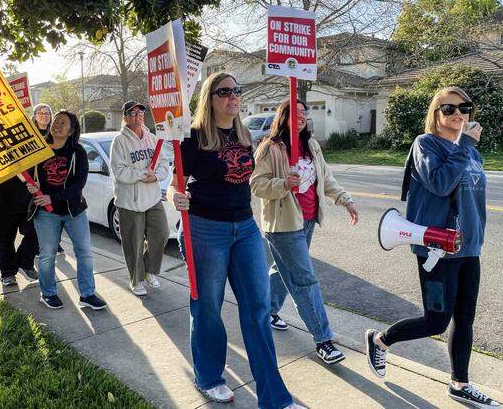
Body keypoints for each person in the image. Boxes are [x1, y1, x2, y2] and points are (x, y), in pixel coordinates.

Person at [168, 72, 301, 409]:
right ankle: (209, 377)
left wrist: (287, 179)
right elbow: (175, 184)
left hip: (245, 228)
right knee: (208, 307)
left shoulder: (244, 135)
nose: (232, 97)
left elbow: (249, 180)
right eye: (224, 91)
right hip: (205, 229)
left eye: (236, 91)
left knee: (257, 309)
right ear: (209, 98)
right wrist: (175, 197)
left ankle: (275, 398)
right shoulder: (192, 138)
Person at [365, 87, 500, 409]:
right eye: (448, 108)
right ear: (435, 114)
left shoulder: (472, 152)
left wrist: (476, 237)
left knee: (465, 318)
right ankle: (380, 340)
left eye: (464, 108)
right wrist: (465, 144)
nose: (458, 114)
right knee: (437, 320)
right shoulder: (425, 144)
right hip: (438, 249)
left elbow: (474, 201)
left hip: (468, 248)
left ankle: (460, 384)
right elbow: (440, 183)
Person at [251, 99, 359, 365]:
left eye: (304, 113)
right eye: (294, 112)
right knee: (305, 280)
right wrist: (283, 184)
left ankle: (268, 312)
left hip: (308, 220)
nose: (300, 116)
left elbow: (327, 178)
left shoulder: (311, 145)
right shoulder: (270, 148)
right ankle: (323, 340)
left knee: (282, 269)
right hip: (283, 224)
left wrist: (345, 200)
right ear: (283, 116)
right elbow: (256, 185)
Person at [27, 110, 107, 311]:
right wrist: (30, 187)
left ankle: (87, 294)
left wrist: (52, 197)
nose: (57, 125)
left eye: (63, 123)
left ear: (71, 131)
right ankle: (48, 294)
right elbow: (28, 176)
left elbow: (78, 184)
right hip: (46, 212)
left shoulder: (77, 151)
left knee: (84, 252)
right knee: (47, 254)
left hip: (74, 211)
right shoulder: (38, 149)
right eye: (56, 121)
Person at [110, 101, 170, 296]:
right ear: (125, 117)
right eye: (133, 113)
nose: (138, 116)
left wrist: (157, 176)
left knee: (161, 233)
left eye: (141, 112)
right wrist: (143, 174)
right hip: (130, 201)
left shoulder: (152, 138)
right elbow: (119, 171)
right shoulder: (119, 141)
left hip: (152, 197)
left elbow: (163, 163)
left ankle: (149, 271)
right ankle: (136, 280)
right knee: (133, 243)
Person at [31, 103, 65, 257]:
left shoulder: (55, 133)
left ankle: (56, 242)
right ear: (35, 115)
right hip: (34, 179)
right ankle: (39, 244)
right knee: (39, 213)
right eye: (41, 113)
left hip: (52, 177)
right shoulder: (30, 133)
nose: (44, 115)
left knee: (56, 211)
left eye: (47, 113)